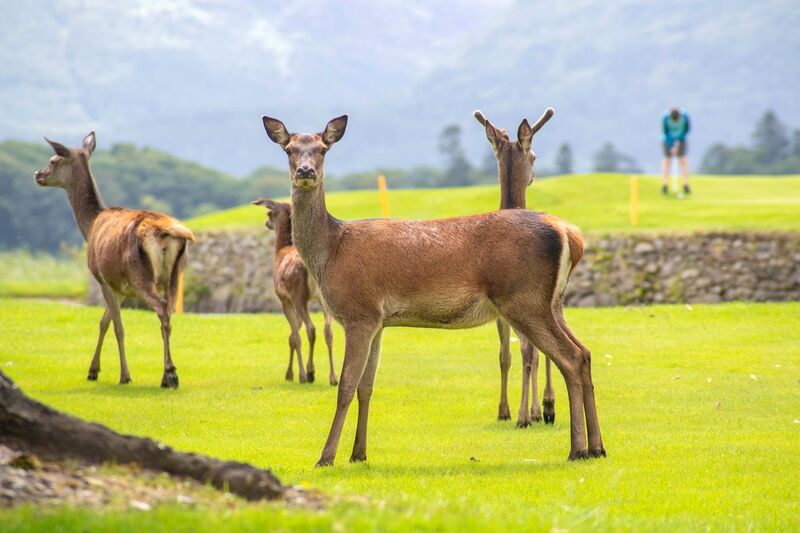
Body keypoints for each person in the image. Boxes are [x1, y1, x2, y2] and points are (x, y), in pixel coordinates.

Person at [661, 107, 691, 195]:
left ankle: (686, 185)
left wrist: (678, 142)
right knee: (666, 160)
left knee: (683, 160)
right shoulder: (665, 118)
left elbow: (686, 130)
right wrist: (671, 145)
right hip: (667, 140)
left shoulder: (684, 117)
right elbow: (665, 133)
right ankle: (664, 185)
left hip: (681, 140)